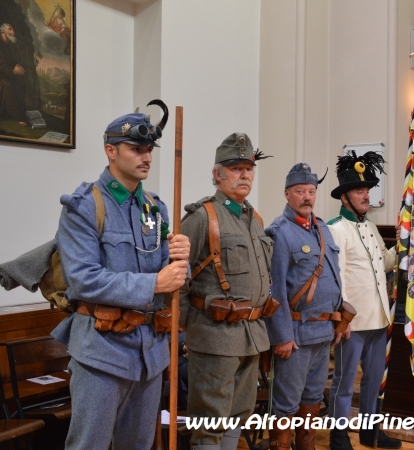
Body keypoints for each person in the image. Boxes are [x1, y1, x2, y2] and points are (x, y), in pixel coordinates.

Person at [51, 103, 191, 450]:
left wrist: (180, 261)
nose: (146, 157)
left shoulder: (154, 208)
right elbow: (83, 280)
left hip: (149, 354)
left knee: (138, 446)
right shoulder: (83, 206)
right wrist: (155, 283)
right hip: (102, 351)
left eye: (148, 150)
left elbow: (168, 274)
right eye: (136, 149)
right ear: (110, 151)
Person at [180, 132, 275, 450]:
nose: (245, 174)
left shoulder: (255, 219)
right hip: (215, 336)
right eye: (235, 168)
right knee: (210, 420)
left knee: (238, 414)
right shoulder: (202, 217)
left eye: (249, 168)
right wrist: (184, 327)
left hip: (252, 335)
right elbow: (175, 278)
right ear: (217, 174)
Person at [265, 163, 344, 450]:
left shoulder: (322, 229)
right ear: (287, 194)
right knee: (286, 403)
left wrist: (338, 320)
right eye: (300, 191)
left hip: (323, 332)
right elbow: (275, 292)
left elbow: (334, 277)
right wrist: (282, 335)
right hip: (295, 335)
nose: (307, 197)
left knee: (312, 398)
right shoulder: (279, 232)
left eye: (311, 191)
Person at [327, 151, 402, 450]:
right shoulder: (336, 228)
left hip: (379, 317)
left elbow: (384, 264)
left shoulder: (370, 227)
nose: (365, 195)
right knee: (344, 384)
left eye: (367, 190)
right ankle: (338, 435)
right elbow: (337, 278)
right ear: (344, 197)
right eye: (359, 191)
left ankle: (371, 432)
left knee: (373, 381)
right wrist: (341, 319)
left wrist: (403, 244)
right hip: (353, 322)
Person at [0, 23, 27, 125]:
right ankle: (16, 117)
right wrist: (13, 71)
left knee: (20, 81)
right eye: (10, 29)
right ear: (3, 32)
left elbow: (10, 60)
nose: (13, 32)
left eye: (13, 29)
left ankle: (22, 113)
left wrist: (18, 67)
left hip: (5, 74)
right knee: (6, 85)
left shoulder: (7, 44)